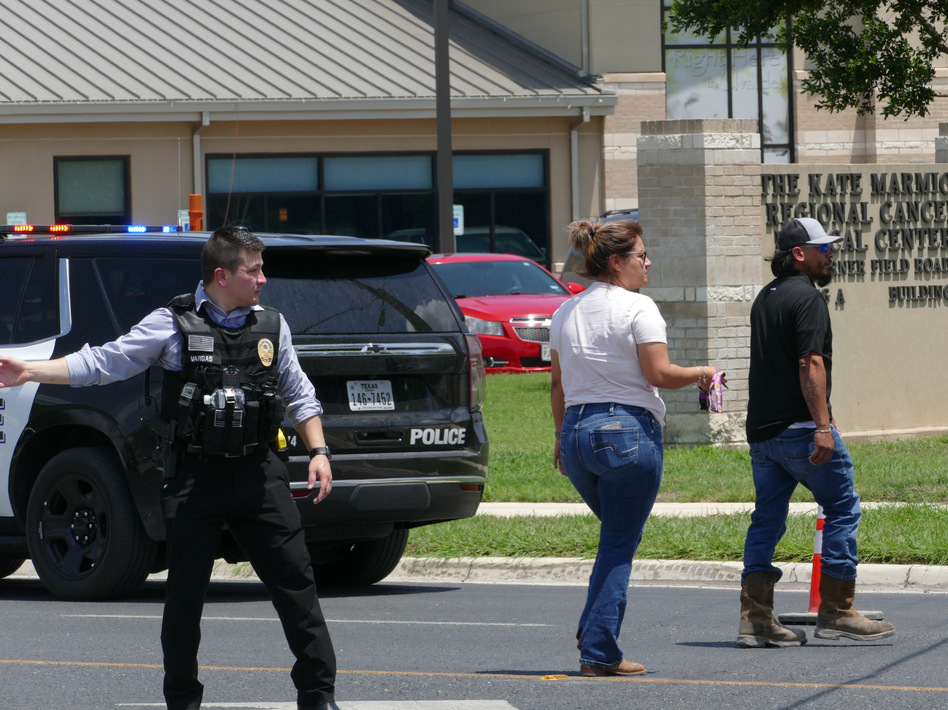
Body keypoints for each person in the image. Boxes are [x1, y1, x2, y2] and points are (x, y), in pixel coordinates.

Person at [0, 227, 340, 710]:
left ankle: (318, 694)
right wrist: (31, 371)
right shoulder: (171, 323)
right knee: (185, 597)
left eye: (262, 269)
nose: (263, 279)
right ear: (222, 275)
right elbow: (106, 363)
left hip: (259, 474)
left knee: (297, 584)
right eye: (254, 270)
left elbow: (300, 394)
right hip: (195, 477)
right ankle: (182, 700)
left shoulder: (273, 326)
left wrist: (319, 451)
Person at [549, 218, 722, 677]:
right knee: (619, 542)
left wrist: (560, 437)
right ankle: (599, 651)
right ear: (616, 261)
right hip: (625, 433)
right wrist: (703, 372)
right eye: (641, 255)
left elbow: (557, 385)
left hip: (576, 433)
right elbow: (659, 374)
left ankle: (592, 632)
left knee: (616, 537)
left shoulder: (565, 311)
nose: (648, 262)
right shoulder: (638, 307)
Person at [740, 217, 895, 648]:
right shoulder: (807, 298)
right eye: (823, 249)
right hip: (801, 430)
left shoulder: (766, 297)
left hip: (763, 434)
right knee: (842, 506)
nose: (830, 255)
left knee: (767, 519)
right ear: (798, 254)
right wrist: (822, 426)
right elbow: (810, 363)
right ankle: (838, 611)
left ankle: (755, 619)